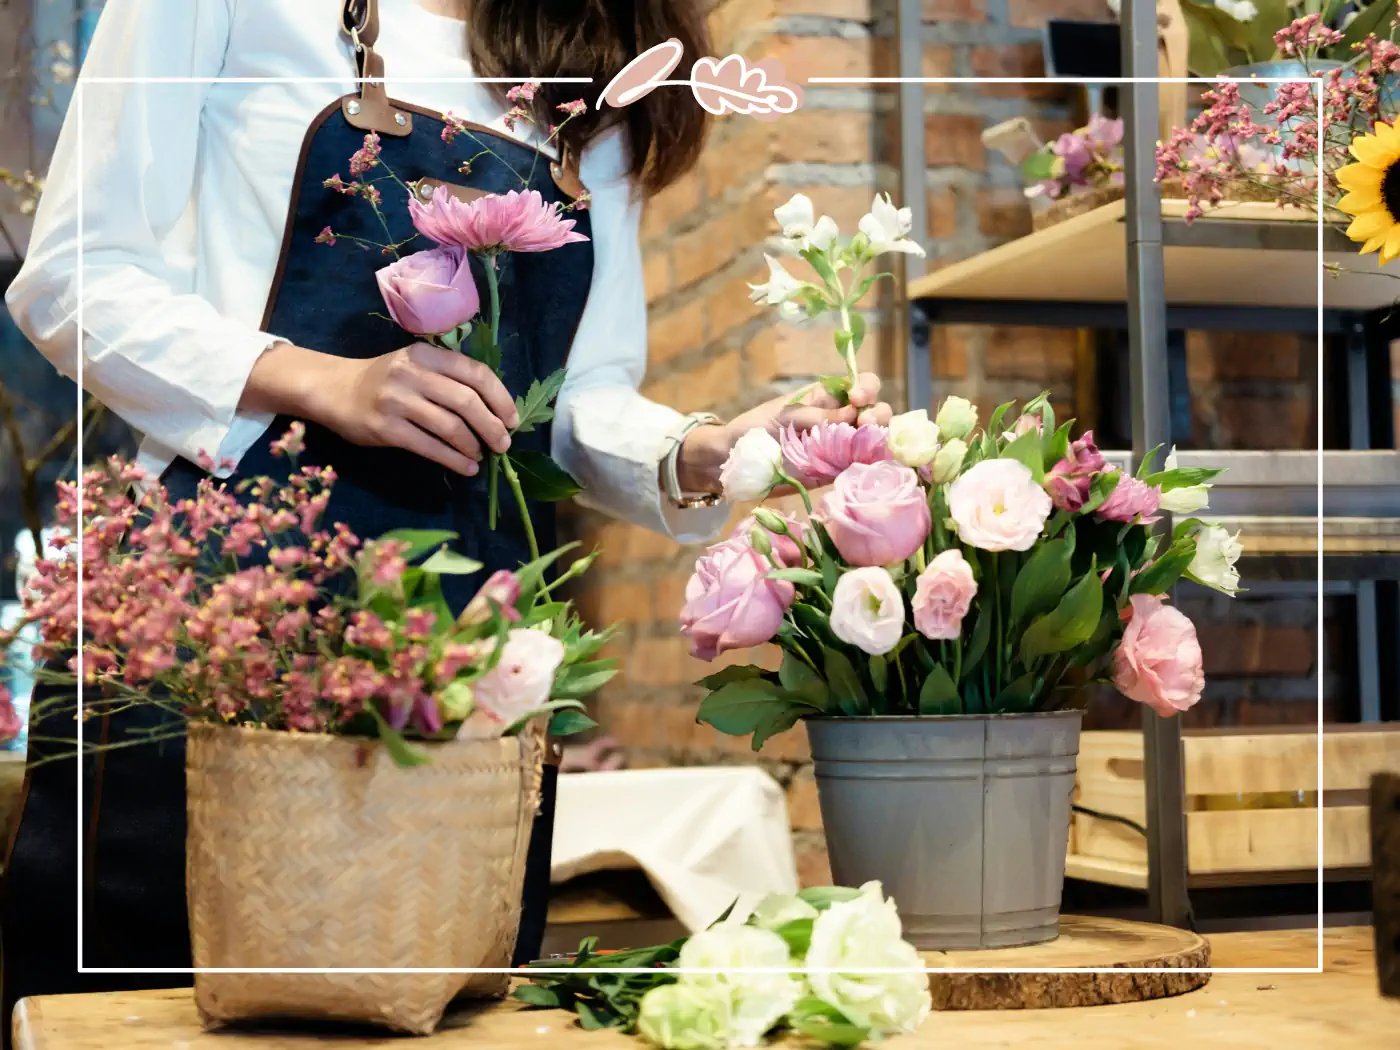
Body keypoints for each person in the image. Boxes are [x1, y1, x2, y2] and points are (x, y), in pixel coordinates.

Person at [0, 0, 892, 1035]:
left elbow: (570, 403)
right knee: (147, 993)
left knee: (433, 997)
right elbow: (72, 276)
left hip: (470, 640)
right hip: (215, 609)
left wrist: (704, 450)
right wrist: (322, 383)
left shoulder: (587, 64)